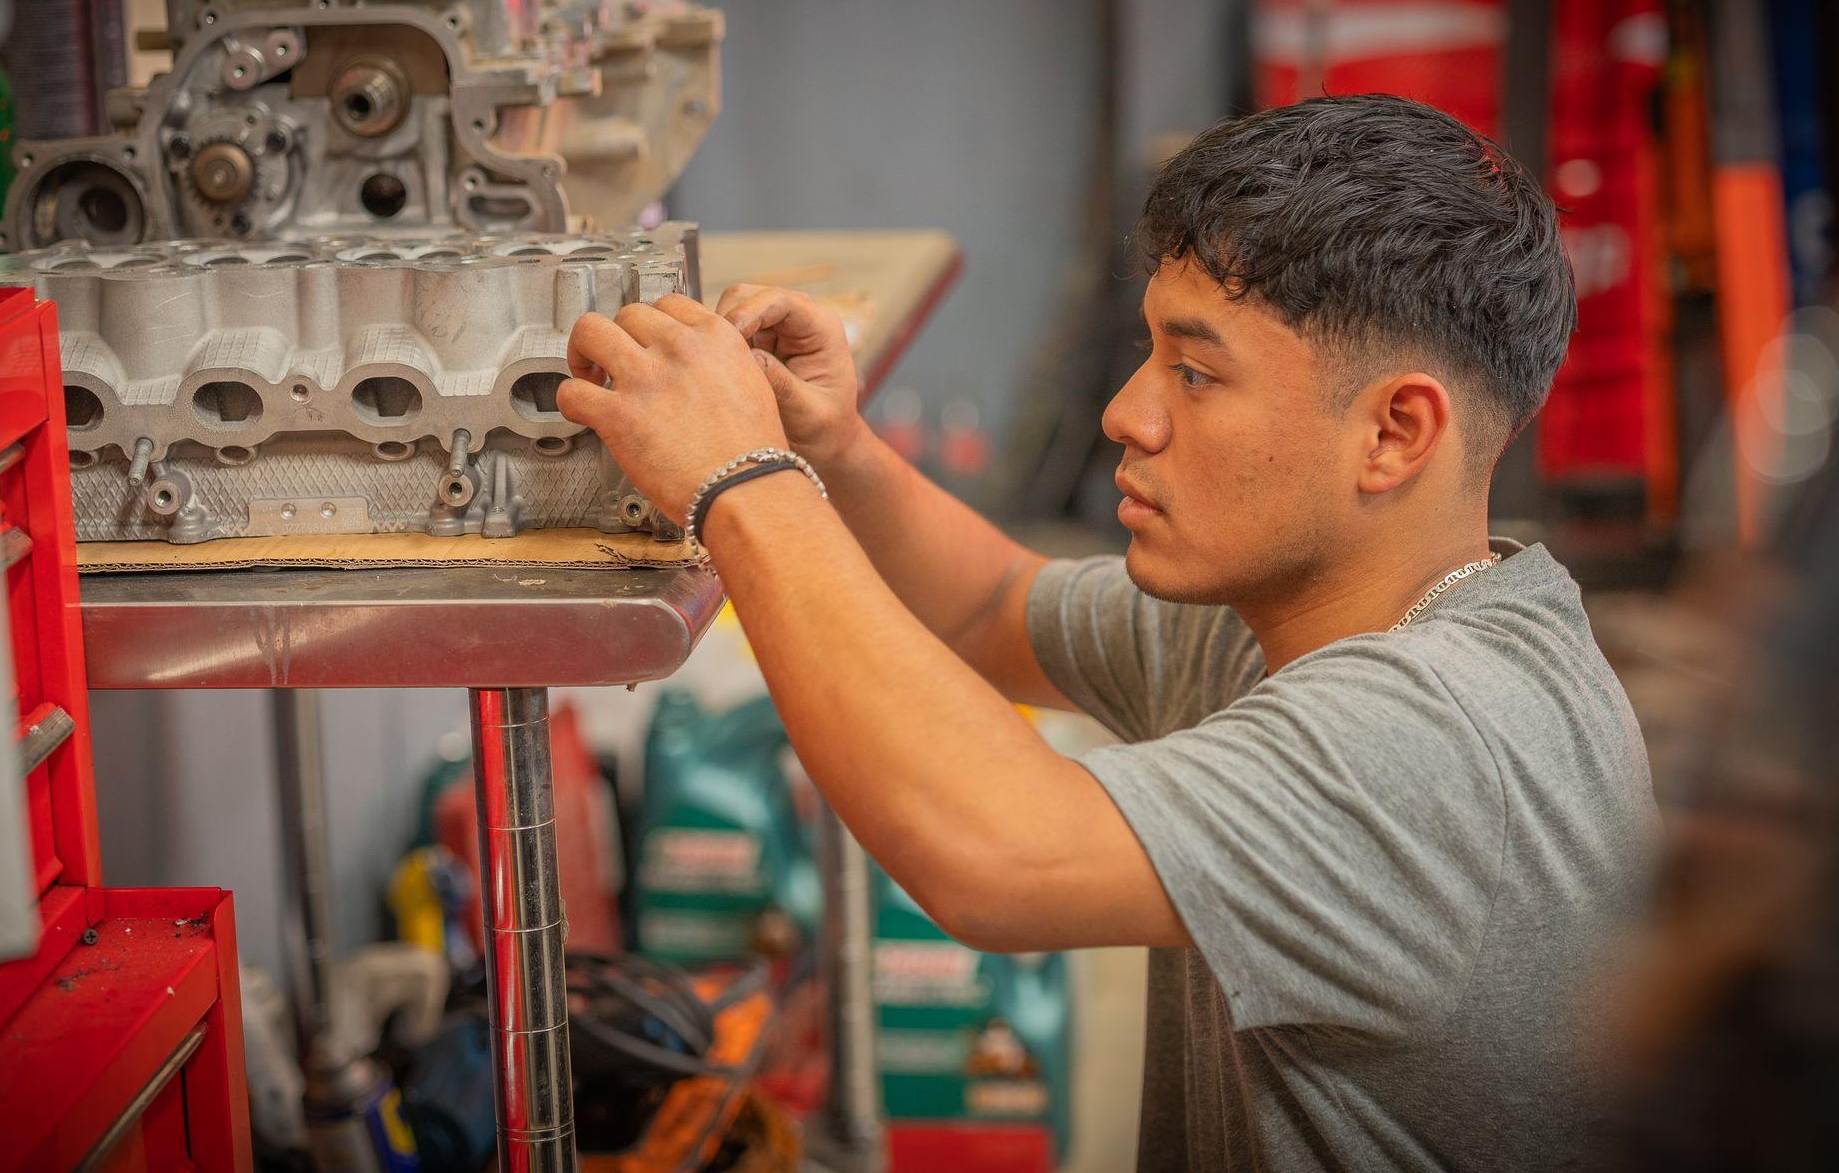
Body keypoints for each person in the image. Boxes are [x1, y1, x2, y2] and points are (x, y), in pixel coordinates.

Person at [555, 94, 1660, 1171]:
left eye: (1196, 368)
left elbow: (996, 854)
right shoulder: (1298, 612)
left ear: (1393, 431)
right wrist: (831, 449)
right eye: (1149, 351)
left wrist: (742, 481)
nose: (1128, 411)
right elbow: (994, 606)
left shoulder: (1436, 740)